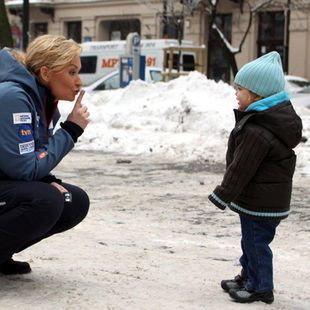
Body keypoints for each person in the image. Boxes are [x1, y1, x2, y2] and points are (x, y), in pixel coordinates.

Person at [208, 51, 303, 304]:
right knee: (250, 241)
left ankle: (261, 287)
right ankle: (248, 276)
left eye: (240, 89)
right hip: (262, 199)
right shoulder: (265, 122)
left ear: (256, 95)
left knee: (256, 244)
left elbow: (241, 168)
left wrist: (222, 195)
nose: (235, 93)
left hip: (260, 202)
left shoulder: (259, 130)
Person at [0, 34, 90, 275]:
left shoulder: (43, 103)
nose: (78, 81)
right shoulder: (12, 97)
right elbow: (24, 169)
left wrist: (47, 179)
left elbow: (30, 156)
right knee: (45, 201)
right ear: (46, 73)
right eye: (71, 72)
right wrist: (71, 130)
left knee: (74, 200)